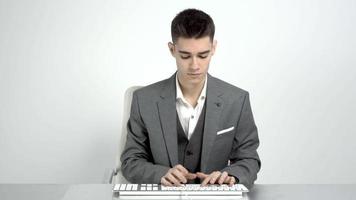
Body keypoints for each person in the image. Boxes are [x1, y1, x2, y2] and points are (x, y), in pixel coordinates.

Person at [120, 8, 261, 189]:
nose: (195, 65)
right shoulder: (143, 100)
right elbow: (130, 161)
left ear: (214, 48)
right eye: (185, 56)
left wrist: (231, 176)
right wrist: (160, 174)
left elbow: (249, 158)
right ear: (172, 50)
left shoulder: (237, 100)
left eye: (203, 55)